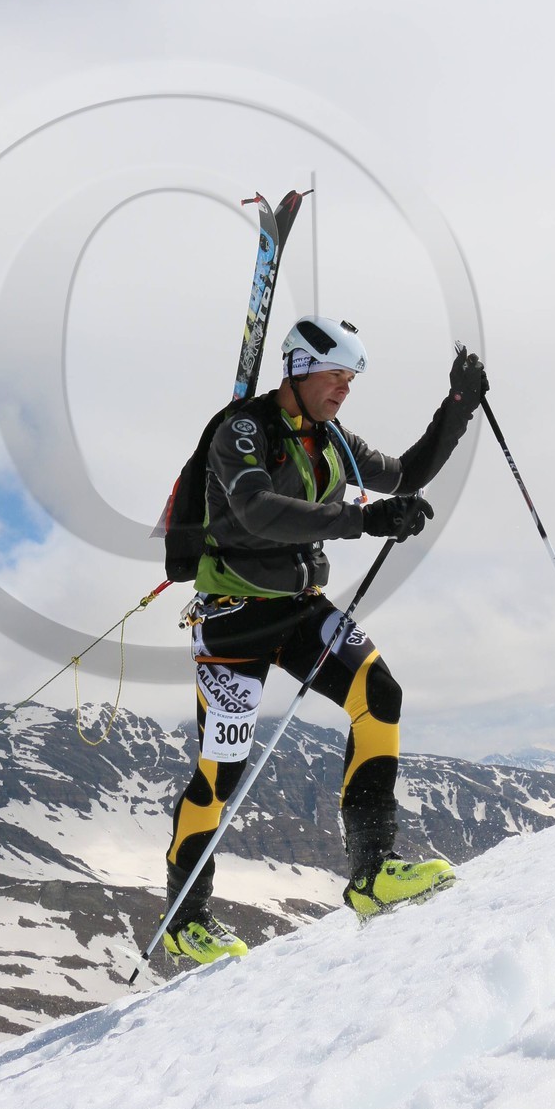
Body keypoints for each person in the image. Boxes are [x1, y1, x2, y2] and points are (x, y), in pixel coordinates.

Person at [163, 317, 487, 964]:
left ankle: (372, 872)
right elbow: (257, 510)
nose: (344, 389)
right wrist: (362, 520)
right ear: (298, 369)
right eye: (335, 376)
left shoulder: (334, 438)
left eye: (350, 379)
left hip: (301, 609)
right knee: (221, 774)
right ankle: (184, 919)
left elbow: (406, 472)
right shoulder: (243, 432)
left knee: (379, 692)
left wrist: (458, 407)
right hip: (233, 621)